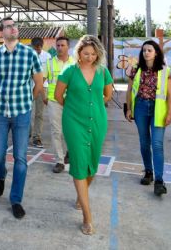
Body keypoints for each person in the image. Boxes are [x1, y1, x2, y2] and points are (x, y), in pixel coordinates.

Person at [54, 35, 112, 235]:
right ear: (78, 52)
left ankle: (81, 196)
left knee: (92, 165)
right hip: (74, 123)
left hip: (97, 122)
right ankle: (87, 218)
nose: (90, 57)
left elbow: (108, 95)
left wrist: (93, 105)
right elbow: (58, 95)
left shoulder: (103, 71)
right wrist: (74, 108)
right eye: (86, 53)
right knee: (79, 164)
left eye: (93, 54)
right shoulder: (69, 71)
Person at [0, 17, 43, 219]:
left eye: (15, 25)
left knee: (20, 158)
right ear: (1, 32)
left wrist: (27, 101)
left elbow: (38, 83)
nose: (13, 28)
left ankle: (16, 199)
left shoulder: (30, 54)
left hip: (22, 113)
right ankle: (1, 175)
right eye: (8, 26)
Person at [125, 40, 171, 197]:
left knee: (157, 144)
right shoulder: (135, 69)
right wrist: (128, 108)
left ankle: (159, 181)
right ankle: (148, 172)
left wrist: (170, 113)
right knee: (144, 143)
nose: (146, 52)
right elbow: (129, 90)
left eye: (149, 50)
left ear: (156, 53)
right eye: (144, 50)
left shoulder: (165, 70)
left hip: (158, 110)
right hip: (140, 108)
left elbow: (170, 94)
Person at [43, 36, 74, 173]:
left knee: (71, 130)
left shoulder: (75, 63)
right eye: (58, 45)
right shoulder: (49, 63)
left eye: (63, 45)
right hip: (54, 102)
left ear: (68, 47)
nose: (60, 48)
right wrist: (44, 96)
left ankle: (69, 152)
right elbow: (41, 80)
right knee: (56, 131)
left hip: (72, 103)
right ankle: (59, 161)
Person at [30, 37, 51, 148]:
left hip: (42, 87)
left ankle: (36, 137)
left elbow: (47, 74)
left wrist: (39, 86)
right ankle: (26, 132)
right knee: (25, 112)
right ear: (32, 46)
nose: (37, 51)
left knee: (39, 114)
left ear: (42, 46)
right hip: (28, 87)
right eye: (35, 48)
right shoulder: (27, 55)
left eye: (39, 48)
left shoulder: (47, 56)